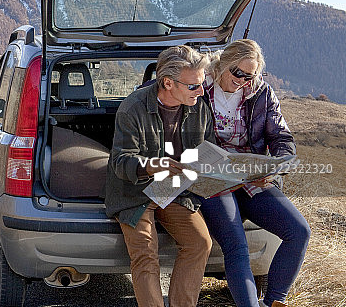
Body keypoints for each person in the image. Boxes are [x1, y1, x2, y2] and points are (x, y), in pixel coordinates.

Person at [199, 39, 310, 307]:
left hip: (251, 177)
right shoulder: (199, 87)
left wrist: (276, 167)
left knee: (299, 231)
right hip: (213, 177)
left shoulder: (261, 93)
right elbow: (161, 92)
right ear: (223, 64)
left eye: (250, 76)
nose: (243, 81)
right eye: (239, 73)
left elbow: (281, 136)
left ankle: (272, 302)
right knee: (237, 245)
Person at [106, 45, 213, 307]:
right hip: (134, 192)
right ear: (167, 82)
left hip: (175, 189)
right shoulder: (133, 108)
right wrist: (152, 165)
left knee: (200, 243)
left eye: (202, 84)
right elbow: (120, 162)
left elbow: (207, 148)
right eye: (193, 86)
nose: (200, 91)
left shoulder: (199, 107)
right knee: (145, 254)